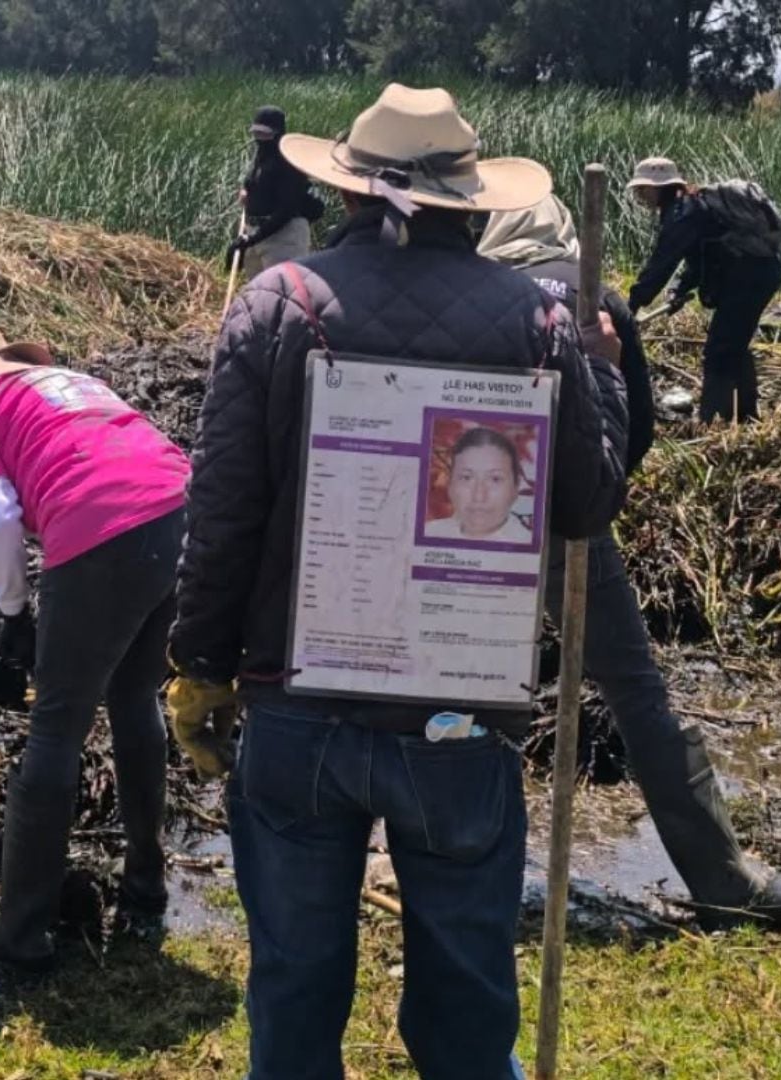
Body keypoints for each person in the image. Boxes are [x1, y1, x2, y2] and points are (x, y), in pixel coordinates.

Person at [165, 85, 629, 1080]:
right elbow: (587, 505)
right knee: (466, 1007)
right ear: (469, 204)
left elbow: (223, 513)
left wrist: (200, 664)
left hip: (297, 707)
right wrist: (605, 373)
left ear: (349, 193)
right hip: (458, 717)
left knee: (294, 991)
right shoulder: (540, 322)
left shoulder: (278, 304)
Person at [480, 194, 781, 931]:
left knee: (475, 690)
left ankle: (455, 871)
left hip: (471, 525)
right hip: (573, 527)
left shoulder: (475, 294)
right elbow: (634, 435)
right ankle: (724, 883)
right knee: (635, 691)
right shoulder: (594, 298)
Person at [0, 317, 191, 971]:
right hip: (180, 510)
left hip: (101, 526)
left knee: (55, 727)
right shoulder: (70, 381)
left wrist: (13, 611)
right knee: (135, 695)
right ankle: (145, 892)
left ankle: (20, 936)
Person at [626, 156, 781, 424]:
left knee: (720, 350)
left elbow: (661, 264)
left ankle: (712, 421)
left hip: (749, 277)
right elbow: (700, 259)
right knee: (733, 344)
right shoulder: (692, 207)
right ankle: (745, 416)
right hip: (759, 273)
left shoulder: (684, 214)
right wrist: (678, 290)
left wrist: (631, 304)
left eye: (643, 189)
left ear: (658, 187)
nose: (640, 196)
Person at [229, 106, 324, 276]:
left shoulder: (289, 163)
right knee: (258, 289)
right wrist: (246, 193)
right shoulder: (261, 155)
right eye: (256, 133)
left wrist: (252, 239)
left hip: (284, 237)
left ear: (278, 133)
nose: (260, 139)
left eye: (265, 134)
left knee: (282, 288)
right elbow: (253, 183)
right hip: (256, 234)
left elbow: (286, 210)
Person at [423, 426, 535, 544]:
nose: (479, 496)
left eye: (495, 479)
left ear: (516, 488)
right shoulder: (429, 533)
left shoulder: (528, 544)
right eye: (466, 478)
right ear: (450, 484)